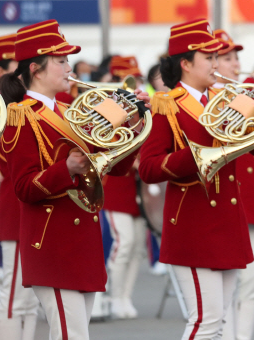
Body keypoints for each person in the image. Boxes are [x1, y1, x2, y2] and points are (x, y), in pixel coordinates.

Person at [0, 19, 147, 340]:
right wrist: (66, 168)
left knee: (74, 334)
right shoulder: (22, 116)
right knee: (72, 335)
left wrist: (132, 128)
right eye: (61, 61)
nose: (70, 68)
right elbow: (24, 187)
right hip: (52, 241)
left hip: (83, 238)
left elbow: (114, 168)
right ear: (36, 69)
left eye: (68, 60)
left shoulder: (71, 108)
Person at [138, 19, 254, 340]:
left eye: (218, 58)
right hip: (192, 223)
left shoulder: (228, 97)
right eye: (209, 58)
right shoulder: (166, 105)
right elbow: (149, 169)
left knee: (220, 323)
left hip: (227, 221)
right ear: (185, 64)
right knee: (206, 321)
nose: (217, 65)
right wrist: (198, 153)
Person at [214, 29, 254, 340]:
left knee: (253, 281)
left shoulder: (244, 89)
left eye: (235, 57)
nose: (234, 63)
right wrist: (253, 82)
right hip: (227, 199)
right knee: (225, 283)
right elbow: (226, 122)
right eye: (226, 58)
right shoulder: (212, 97)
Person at [0, 30, 40, 340]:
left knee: (30, 296)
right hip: (14, 207)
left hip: (31, 209)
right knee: (13, 293)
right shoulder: (11, 110)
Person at [103, 55, 147, 319]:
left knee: (139, 246)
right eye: (129, 77)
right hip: (117, 186)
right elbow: (104, 142)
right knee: (124, 242)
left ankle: (125, 297)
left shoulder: (142, 105)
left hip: (139, 188)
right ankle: (113, 295)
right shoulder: (106, 105)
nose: (135, 83)